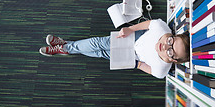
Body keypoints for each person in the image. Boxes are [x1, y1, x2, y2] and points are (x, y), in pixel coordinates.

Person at [39, 19, 190, 79]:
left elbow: (148, 68)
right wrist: (130, 29)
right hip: (134, 38)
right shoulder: (162, 28)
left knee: (100, 53)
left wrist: (136, 64)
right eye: (171, 40)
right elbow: (148, 24)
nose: (164, 45)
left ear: (173, 59)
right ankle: (66, 47)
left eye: (170, 51)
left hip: (132, 56)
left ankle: (65, 47)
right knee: (97, 43)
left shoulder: (161, 70)